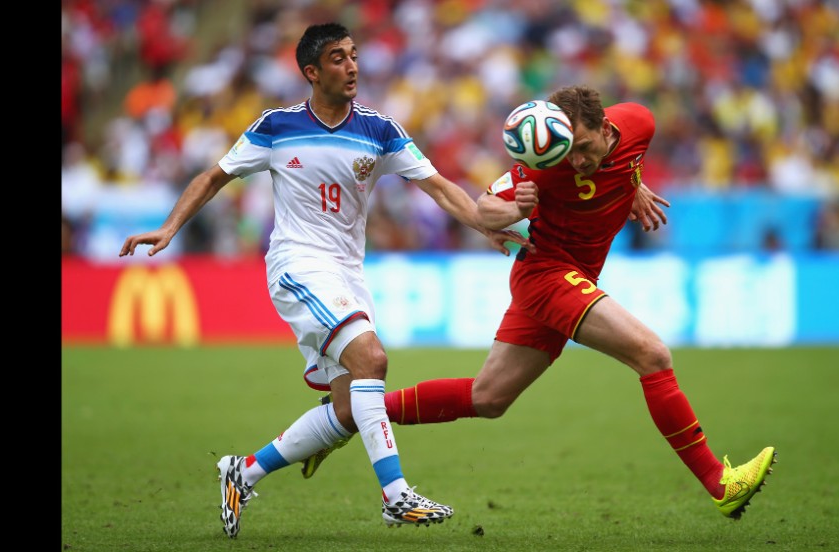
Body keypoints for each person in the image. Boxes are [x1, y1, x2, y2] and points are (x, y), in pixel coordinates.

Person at [118, 22, 531, 538]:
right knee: (372, 360)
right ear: (312, 72)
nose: (353, 66)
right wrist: (169, 227)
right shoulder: (276, 127)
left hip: (346, 272)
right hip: (296, 263)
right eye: (338, 58)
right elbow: (213, 176)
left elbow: (442, 189)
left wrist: (485, 222)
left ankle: (242, 471)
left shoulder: (380, 130)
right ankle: (396, 495)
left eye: (354, 55)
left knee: (348, 408)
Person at [306, 85, 777, 521]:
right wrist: (519, 208)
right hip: (547, 274)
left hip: (570, 278)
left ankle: (350, 416)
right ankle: (720, 483)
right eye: (568, 153)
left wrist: (633, 185)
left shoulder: (639, 124)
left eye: (586, 149)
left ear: (606, 128)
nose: (577, 162)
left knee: (487, 398)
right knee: (652, 356)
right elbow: (486, 205)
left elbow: (623, 161)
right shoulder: (545, 160)